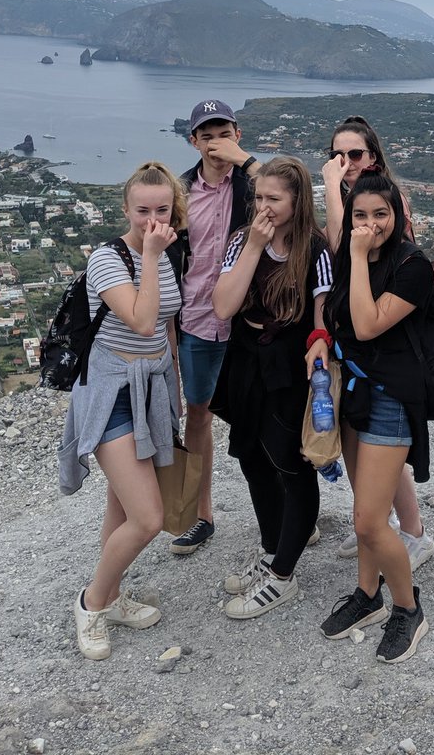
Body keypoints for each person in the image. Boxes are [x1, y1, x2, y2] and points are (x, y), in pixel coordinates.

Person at [59, 161, 185, 660]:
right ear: (126, 209)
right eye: (142, 211)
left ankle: (111, 597)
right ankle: (91, 603)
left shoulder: (166, 254)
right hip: (112, 392)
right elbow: (141, 319)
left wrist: (175, 388)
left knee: (123, 506)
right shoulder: (107, 260)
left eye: (162, 210)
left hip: (150, 391)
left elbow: (167, 325)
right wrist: (151, 255)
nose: (153, 220)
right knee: (148, 518)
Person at [317, 172, 432, 664]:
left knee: (367, 521)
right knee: (367, 510)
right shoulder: (351, 258)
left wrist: (359, 256)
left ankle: (408, 608)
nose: (370, 224)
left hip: (391, 399)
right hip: (355, 393)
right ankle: (367, 595)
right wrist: (319, 342)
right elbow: (337, 319)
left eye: (380, 214)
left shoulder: (413, 266)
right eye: (359, 215)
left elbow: (366, 325)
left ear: (397, 216)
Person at [211, 157, 333, 619]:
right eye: (259, 197)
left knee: (290, 463)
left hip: (288, 365)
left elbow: (322, 315)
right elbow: (224, 306)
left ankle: (283, 574)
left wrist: (319, 348)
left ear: (297, 201)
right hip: (246, 359)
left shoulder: (314, 249)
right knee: (251, 457)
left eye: (274, 199)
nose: (263, 206)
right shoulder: (243, 241)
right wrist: (254, 247)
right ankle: (270, 549)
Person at [321, 116, 434, 572]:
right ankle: (376, 523)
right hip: (355, 357)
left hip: (387, 351)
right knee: (367, 450)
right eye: (337, 155)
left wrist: (333, 193)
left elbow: (341, 248)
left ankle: (410, 531)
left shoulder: (385, 201)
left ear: (373, 156)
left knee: (386, 447)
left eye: (355, 154)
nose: (345, 163)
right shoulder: (359, 201)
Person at [168, 99, 260, 555]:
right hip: (197, 322)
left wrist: (245, 161)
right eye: (206, 136)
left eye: (224, 133)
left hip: (250, 323)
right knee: (198, 413)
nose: (215, 143)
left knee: (261, 414)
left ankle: (286, 513)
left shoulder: (255, 185)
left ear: (238, 135)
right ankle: (199, 515)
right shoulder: (181, 193)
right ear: (193, 141)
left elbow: (295, 197)